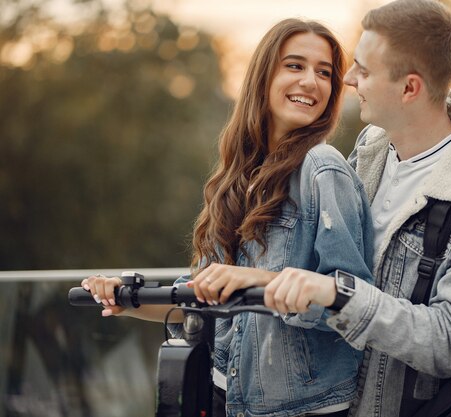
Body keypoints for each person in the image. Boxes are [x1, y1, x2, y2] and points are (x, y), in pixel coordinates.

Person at [82, 18, 374, 417]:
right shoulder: (239, 175)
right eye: (295, 65)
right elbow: (201, 296)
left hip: (300, 409)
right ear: (263, 75)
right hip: (223, 398)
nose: (312, 81)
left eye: (324, 73)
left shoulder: (324, 168)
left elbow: (352, 303)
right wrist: (125, 297)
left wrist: (258, 279)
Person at [260, 1, 451, 416]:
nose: (348, 79)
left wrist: (340, 294)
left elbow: (448, 341)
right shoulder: (371, 150)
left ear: (409, 88)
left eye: (364, 71)